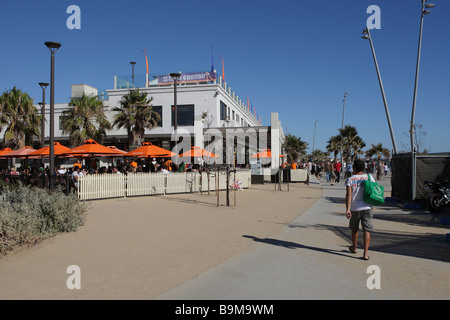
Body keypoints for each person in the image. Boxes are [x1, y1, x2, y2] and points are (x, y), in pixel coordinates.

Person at [345, 159, 374, 261]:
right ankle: (365, 254)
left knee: (354, 229)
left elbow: (349, 195)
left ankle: (354, 247)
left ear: (354, 168)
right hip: (368, 207)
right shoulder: (370, 177)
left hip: (355, 208)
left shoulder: (350, 179)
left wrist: (348, 209)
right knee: (367, 230)